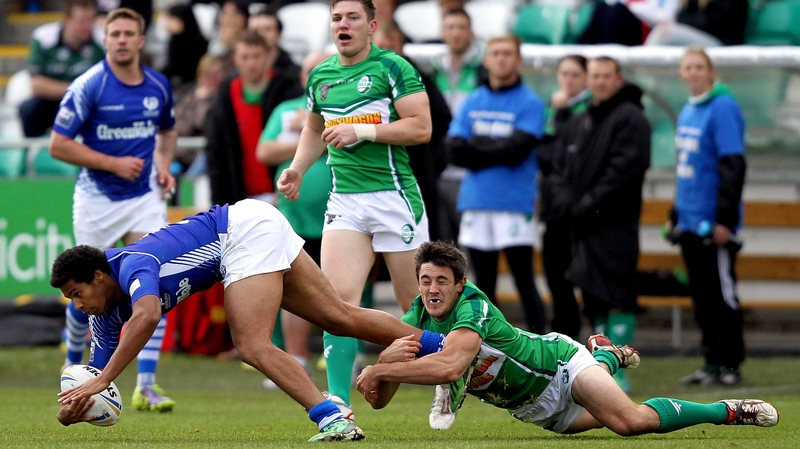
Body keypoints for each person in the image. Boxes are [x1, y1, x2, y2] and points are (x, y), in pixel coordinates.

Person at [52, 200, 447, 442]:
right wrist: (74, 408)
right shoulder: (103, 315)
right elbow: (96, 371)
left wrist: (103, 382)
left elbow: (148, 315)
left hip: (242, 232)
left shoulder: (133, 265)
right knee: (338, 317)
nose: (78, 304)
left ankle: (333, 420)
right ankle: (445, 348)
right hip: (253, 226)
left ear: (99, 277)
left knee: (252, 344)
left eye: (78, 294)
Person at [354, 240, 780, 436]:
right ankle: (607, 357)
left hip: (559, 365)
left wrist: (384, 366)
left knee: (630, 422)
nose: (431, 290)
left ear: (461, 283)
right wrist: (386, 370)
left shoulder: (473, 306)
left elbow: (450, 365)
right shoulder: (417, 317)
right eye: (425, 280)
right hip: (540, 411)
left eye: (441, 281)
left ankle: (725, 411)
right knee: (610, 409)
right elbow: (377, 400)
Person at [277, 0, 432, 424]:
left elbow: (421, 127)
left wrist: (362, 130)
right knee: (335, 304)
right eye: (336, 18)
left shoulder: (393, 67)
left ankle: (448, 378)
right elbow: (313, 128)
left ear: (372, 25)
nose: (342, 25)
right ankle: (339, 402)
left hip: (394, 199)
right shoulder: (321, 75)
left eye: (352, 18)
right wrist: (296, 168)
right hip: (345, 202)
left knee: (416, 304)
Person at [48, 8, 178, 413]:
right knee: (84, 293)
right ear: (105, 41)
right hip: (97, 200)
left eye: (128, 33)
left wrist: (162, 164)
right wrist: (113, 163)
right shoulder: (89, 85)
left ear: (141, 40)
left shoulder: (157, 85)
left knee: (154, 283)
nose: (121, 40)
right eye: (114, 34)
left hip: (143, 198)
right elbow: (58, 144)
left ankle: (147, 384)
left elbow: (168, 129)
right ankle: (76, 368)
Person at [550, 57, 651, 393]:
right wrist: (565, 200)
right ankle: (601, 364)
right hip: (582, 225)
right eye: (595, 76)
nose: (601, 82)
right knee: (591, 295)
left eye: (607, 76)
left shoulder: (631, 119)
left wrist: (588, 204)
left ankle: (622, 366)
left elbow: (624, 171)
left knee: (617, 291)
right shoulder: (580, 121)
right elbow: (559, 165)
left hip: (615, 223)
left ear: (618, 79)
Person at [446, 35, 546, 335]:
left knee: (523, 279)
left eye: (507, 53)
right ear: (486, 60)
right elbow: (453, 150)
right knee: (481, 284)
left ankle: (541, 347)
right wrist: (495, 148)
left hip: (514, 203)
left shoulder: (530, 102)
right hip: (476, 201)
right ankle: (485, 349)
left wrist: (476, 146)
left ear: (518, 60)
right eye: (495, 53)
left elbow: (517, 150)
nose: (501, 59)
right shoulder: (473, 99)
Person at [669, 47, 747, 387]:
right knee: (701, 297)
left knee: (722, 295)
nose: (694, 72)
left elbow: (732, 166)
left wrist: (725, 221)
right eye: (688, 67)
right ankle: (711, 361)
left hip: (713, 225)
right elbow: (687, 169)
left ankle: (731, 362)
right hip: (689, 222)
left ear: (711, 71)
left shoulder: (723, 107)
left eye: (700, 66)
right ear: (681, 73)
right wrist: (675, 214)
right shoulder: (688, 109)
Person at [255, 51, 332, 389]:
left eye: (321, 68)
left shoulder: (348, 105)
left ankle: (347, 356)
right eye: (309, 69)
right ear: (302, 77)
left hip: (341, 215)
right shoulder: (286, 109)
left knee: (345, 289)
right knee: (295, 288)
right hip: (296, 215)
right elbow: (264, 151)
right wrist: (306, 137)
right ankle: (297, 358)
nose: (314, 74)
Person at [372, 20, 452, 241]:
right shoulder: (363, 83)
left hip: (417, 167)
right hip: (377, 170)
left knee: (424, 235)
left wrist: (434, 161)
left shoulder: (418, 78)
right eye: (382, 46)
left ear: (401, 47)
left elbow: (442, 120)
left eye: (392, 46)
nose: (387, 52)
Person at [204, 30, 303, 207]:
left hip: (283, 194)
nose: (251, 63)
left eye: (256, 56)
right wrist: (218, 203)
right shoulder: (225, 95)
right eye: (245, 57)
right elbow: (216, 151)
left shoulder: (289, 91)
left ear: (269, 56)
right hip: (239, 195)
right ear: (235, 58)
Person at [539, 55, 591, 340]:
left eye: (575, 74)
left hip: (580, 208)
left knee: (579, 273)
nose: (568, 80)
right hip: (553, 207)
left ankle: (588, 334)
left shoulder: (588, 110)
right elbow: (545, 155)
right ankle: (561, 334)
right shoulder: (554, 109)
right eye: (564, 74)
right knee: (555, 273)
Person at [430, 7, 486, 243]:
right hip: (441, 168)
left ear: (471, 32)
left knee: (474, 244)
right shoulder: (431, 73)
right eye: (451, 27)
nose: (456, 33)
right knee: (443, 243)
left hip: (471, 169)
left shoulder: (484, 73)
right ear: (443, 33)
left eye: (461, 27)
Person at [20, 0, 104, 138]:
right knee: (29, 109)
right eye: (82, 21)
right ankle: (29, 155)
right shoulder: (43, 37)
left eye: (91, 20)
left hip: (86, 104)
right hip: (52, 104)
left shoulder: (101, 39)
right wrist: (77, 89)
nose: (87, 27)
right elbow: (37, 85)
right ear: (66, 19)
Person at [645, 0, 749, 46]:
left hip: (722, 44)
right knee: (663, 30)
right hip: (700, 39)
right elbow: (682, 15)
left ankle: (641, 78)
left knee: (665, 34)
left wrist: (678, 24)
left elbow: (716, 24)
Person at [247, 3, 301, 80]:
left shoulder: (293, 74)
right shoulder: (235, 71)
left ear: (279, 34)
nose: (261, 34)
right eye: (256, 30)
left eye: (267, 29)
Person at [162, 4, 208, 87]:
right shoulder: (201, 40)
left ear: (180, 21)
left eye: (170, 19)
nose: (166, 23)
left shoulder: (177, 41)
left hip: (185, 85)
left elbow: (175, 67)